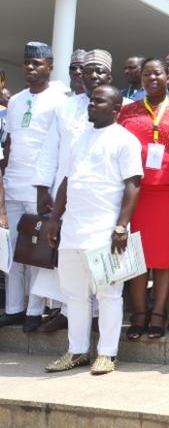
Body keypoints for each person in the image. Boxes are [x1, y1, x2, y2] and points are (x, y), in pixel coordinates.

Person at [43, 85, 142, 376]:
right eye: (91, 100)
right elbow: (67, 181)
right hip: (73, 228)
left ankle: (107, 354)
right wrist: (55, 219)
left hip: (105, 230)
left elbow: (133, 184)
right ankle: (77, 351)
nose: (91, 104)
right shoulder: (79, 137)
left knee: (108, 295)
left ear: (116, 109)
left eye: (98, 101)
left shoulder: (125, 140)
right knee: (74, 295)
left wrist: (121, 226)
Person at [33, 48, 124, 333]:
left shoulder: (121, 106)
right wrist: (42, 190)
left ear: (110, 76)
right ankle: (67, 312)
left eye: (99, 71)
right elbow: (50, 149)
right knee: (69, 259)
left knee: (102, 261)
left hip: (106, 200)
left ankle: (98, 317)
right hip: (67, 193)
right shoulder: (66, 107)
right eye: (87, 70)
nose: (93, 76)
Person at [118, 58, 169, 340]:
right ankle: (138, 313)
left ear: (168, 77)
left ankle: (158, 312)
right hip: (136, 193)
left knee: (164, 255)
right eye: (147, 74)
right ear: (141, 78)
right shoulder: (127, 111)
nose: (152, 78)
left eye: (157, 73)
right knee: (136, 255)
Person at [0, 42, 67, 332]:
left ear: (50, 66)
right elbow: (10, 143)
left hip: (41, 188)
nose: (30, 67)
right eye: (27, 62)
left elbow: (60, 148)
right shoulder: (15, 101)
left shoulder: (60, 99)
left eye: (37, 63)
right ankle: (15, 308)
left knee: (37, 250)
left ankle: (34, 310)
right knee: (15, 251)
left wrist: (49, 189)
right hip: (14, 184)